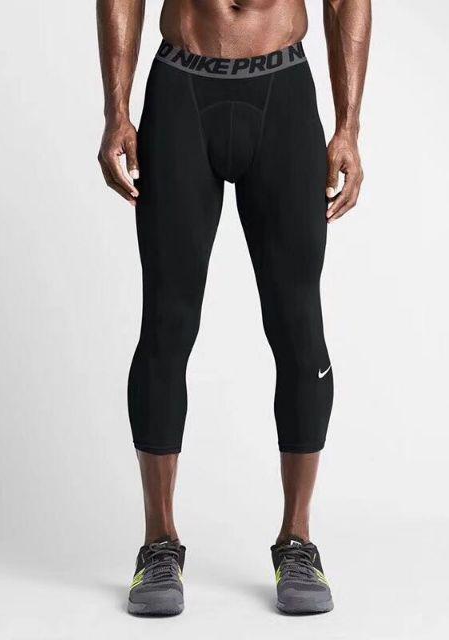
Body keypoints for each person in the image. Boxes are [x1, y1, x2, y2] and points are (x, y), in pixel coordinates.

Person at [97, 0, 371, 616]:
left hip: (283, 88)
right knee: (166, 323)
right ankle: (158, 544)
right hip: (181, 85)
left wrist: (349, 126)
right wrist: (117, 111)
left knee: (298, 325)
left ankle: (297, 541)